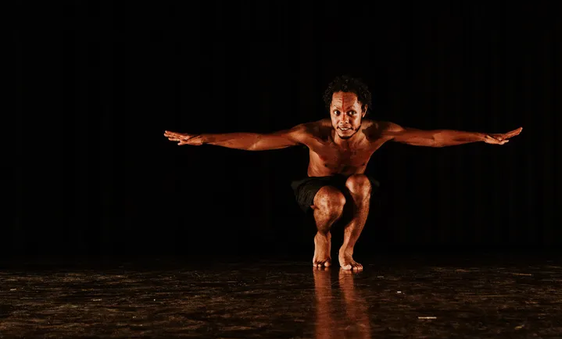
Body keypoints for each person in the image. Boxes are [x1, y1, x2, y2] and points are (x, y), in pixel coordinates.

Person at [164, 75, 522, 271]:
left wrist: (481, 137)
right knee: (333, 201)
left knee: (361, 183)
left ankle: (346, 251)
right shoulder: (311, 134)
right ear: (330, 112)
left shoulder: (379, 132)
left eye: (351, 112)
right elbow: (257, 142)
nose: (344, 120)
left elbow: (432, 138)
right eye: (338, 112)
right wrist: (205, 138)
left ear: (363, 111)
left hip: (351, 184)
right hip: (315, 186)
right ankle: (323, 236)